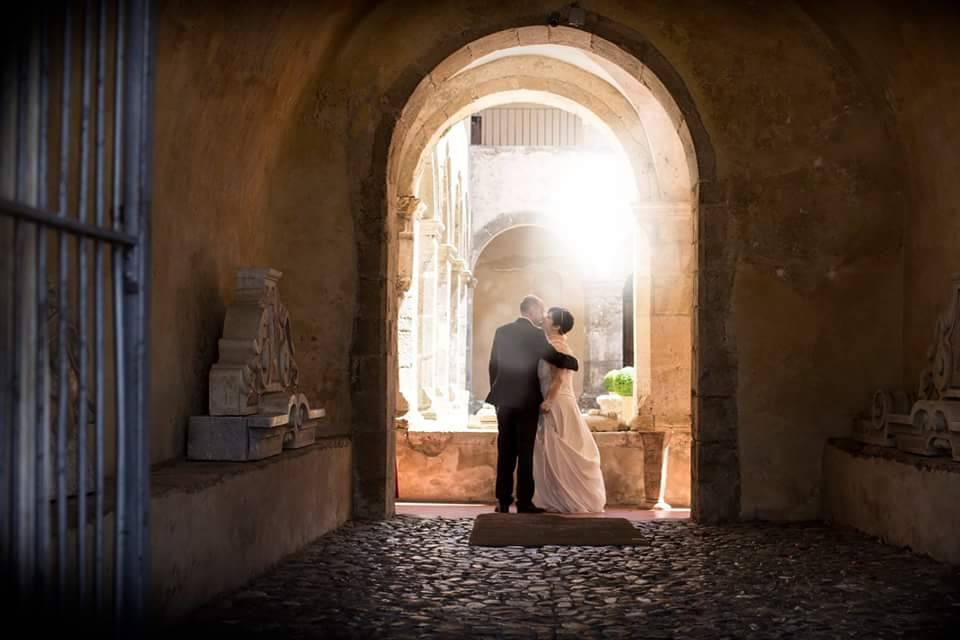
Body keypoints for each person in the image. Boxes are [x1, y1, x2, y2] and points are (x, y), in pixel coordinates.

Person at [486, 295, 580, 514]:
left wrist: (496, 395)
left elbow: (493, 365)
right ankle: (524, 502)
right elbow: (553, 357)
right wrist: (573, 362)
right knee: (525, 452)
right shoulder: (535, 334)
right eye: (541, 311)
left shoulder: (501, 331)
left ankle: (502, 501)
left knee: (505, 451)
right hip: (526, 401)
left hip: (504, 400)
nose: (542, 316)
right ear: (533, 310)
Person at [533, 307, 607, 513]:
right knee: (551, 450)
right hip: (552, 400)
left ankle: (569, 496)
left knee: (561, 447)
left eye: (548, 317)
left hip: (557, 402)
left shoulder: (560, 348)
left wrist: (548, 401)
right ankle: (557, 495)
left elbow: (559, 377)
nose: (544, 319)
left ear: (557, 325)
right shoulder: (548, 346)